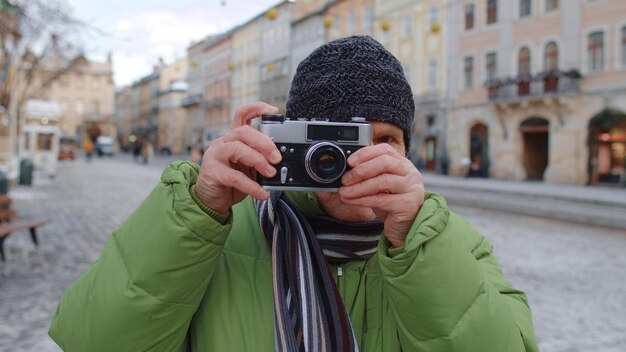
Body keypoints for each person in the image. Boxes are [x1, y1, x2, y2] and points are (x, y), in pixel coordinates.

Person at [49, 36, 538, 352]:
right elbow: (93, 340)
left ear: (408, 150)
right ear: (293, 140)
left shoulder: (447, 243)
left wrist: (418, 244)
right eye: (337, 141)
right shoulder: (219, 229)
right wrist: (195, 210)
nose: (355, 161)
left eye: (383, 141)